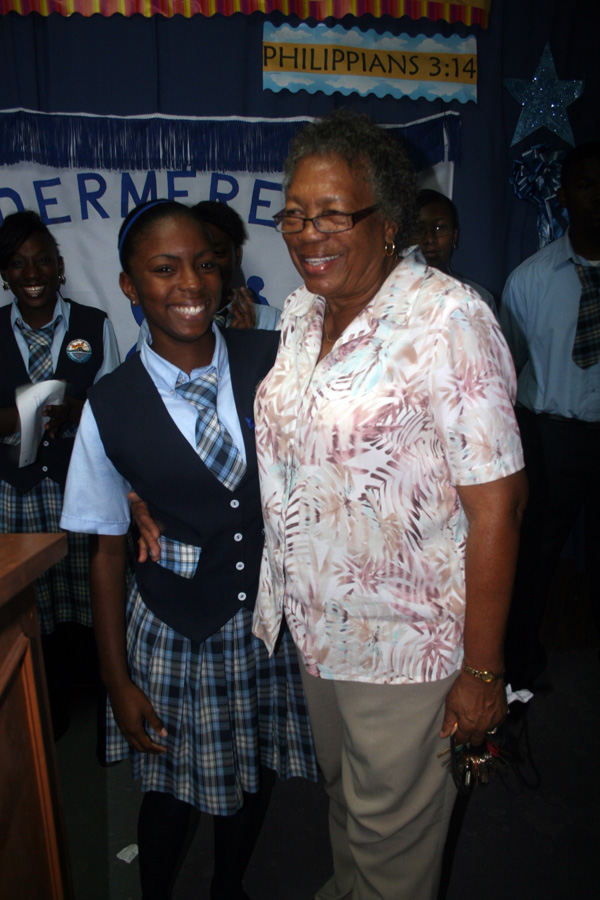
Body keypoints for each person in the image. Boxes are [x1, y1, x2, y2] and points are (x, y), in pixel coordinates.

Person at [252, 111, 527, 900]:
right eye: (295, 214)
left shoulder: (448, 320)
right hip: (320, 627)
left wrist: (482, 672)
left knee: (392, 841)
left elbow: (500, 506)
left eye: (334, 214)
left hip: (408, 644)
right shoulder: (301, 313)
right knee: (347, 805)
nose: (309, 233)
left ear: (390, 221)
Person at [60, 200, 316, 900]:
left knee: (254, 770)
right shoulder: (111, 404)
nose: (192, 284)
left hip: (265, 618)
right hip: (177, 629)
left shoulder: (273, 361)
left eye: (205, 264)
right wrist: (115, 681)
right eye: (164, 269)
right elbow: (106, 553)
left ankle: (228, 886)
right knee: (171, 788)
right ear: (129, 284)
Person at [0, 210, 119, 735]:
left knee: (89, 596)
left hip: (79, 483)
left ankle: (102, 703)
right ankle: (46, 712)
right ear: (4, 274)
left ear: (60, 266)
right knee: (32, 603)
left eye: (42, 260)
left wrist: (76, 410)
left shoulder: (93, 324)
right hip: (16, 491)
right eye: (17, 263)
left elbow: (115, 406)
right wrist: (17, 417)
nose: (32, 273)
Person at [500, 141, 600, 690]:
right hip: (550, 439)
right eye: (586, 185)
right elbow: (504, 371)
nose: (598, 197)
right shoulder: (532, 280)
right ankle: (518, 669)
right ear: (562, 196)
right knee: (532, 560)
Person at [135, 201, 279, 350]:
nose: (210, 263)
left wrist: (250, 345)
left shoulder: (271, 321)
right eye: (199, 256)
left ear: (237, 254)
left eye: (218, 253)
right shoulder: (157, 324)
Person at [413, 188, 498, 316]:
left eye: (440, 228)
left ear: (454, 236)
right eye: (419, 229)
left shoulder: (478, 300)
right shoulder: (389, 297)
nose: (430, 239)